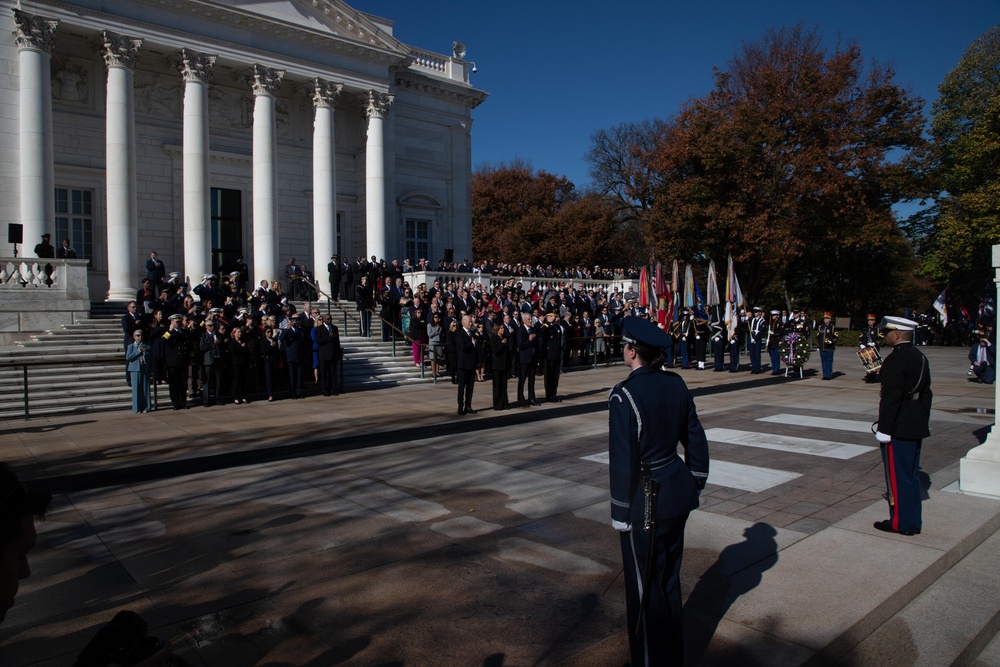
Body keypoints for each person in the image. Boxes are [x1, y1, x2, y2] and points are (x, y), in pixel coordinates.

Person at [608, 316, 709, 667]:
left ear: (633, 351)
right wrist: (695, 478)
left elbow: (624, 460)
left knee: (644, 589)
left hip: (644, 502)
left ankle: (651, 661)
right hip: (676, 489)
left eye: (624, 346)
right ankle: (672, 657)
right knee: (668, 581)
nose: (623, 350)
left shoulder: (625, 395)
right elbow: (694, 436)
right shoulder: (676, 383)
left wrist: (620, 512)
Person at [873, 316, 932, 536]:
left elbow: (891, 398)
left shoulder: (896, 360)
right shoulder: (920, 356)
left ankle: (901, 523)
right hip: (915, 421)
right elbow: (926, 394)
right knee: (911, 476)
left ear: (896, 334)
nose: (885, 335)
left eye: (887, 332)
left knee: (898, 478)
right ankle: (913, 520)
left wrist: (884, 429)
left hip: (898, 425)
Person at [455, 314, 478, 415]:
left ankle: (468, 405)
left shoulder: (471, 333)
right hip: (463, 364)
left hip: (471, 364)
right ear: (463, 322)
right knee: (462, 387)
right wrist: (472, 344)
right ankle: (460, 406)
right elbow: (462, 347)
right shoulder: (459, 333)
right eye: (469, 322)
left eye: (471, 322)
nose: (470, 323)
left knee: (470, 387)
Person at [315, 315, 342, 396]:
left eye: (330, 319)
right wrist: (328, 337)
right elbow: (319, 341)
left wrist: (338, 353)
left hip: (333, 354)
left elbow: (337, 342)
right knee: (324, 374)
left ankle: (333, 389)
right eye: (328, 319)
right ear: (323, 320)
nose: (330, 320)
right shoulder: (319, 328)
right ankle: (325, 390)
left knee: (333, 373)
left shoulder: (334, 328)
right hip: (324, 355)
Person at [125, 329, 151, 413]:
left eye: (141, 335)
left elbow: (150, 355)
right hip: (135, 369)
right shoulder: (131, 346)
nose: (140, 337)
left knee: (145, 388)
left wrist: (145, 352)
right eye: (138, 335)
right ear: (134, 337)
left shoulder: (147, 345)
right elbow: (128, 357)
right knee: (136, 389)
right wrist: (138, 351)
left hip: (144, 368)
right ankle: (137, 408)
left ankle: (146, 407)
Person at [490, 322, 511, 410]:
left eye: (503, 328)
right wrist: (502, 344)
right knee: (497, 386)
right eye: (501, 328)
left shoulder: (504, 338)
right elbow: (496, 351)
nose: (503, 329)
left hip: (504, 364)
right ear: (497, 329)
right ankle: (497, 404)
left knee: (503, 385)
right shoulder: (493, 338)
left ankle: (504, 402)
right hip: (497, 365)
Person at [860, 314, 883, 384]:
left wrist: (875, 343)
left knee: (874, 363)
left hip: (874, 348)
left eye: (871, 320)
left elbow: (881, 338)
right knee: (868, 363)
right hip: (866, 348)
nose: (870, 322)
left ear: (874, 321)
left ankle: (873, 378)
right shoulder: (865, 330)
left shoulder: (877, 329)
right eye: (869, 320)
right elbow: (861, 337)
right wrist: (861, 344)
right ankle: (868, 377)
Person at [816, 312, 837, 380]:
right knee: (823, 361)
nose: (825, 320)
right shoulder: (821, 327)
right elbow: (818, 337)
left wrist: (832, 341)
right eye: (824, 318)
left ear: (830, 319)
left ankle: (829, 375)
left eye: (827, 318)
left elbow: (836, 336)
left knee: (829, 361)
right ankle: (825, 374)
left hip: (829, 347)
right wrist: (818, 345)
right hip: (822, 347)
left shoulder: (832, 327)